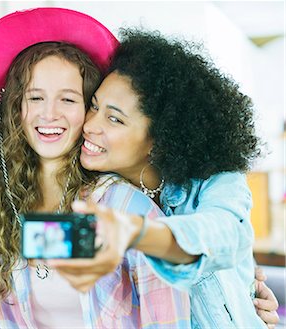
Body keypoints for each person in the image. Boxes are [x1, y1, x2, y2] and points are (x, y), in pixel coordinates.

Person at [0, 8, 190, 328]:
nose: (49, 114)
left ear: (89, 111)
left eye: (68, 100)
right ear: (16, 107)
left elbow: (170, 321)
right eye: (35, 98)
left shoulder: (125, 208)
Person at [48, 28, 279, 327]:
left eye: (115, 118)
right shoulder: (95, 194)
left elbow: (226, 233)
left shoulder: (217, 181)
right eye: (94, 106)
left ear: (161, 139)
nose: (90, 125)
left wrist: (138, 234)